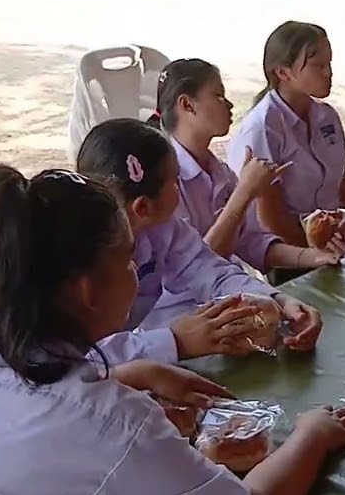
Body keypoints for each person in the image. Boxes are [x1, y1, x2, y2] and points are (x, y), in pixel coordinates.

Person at [0, 165, 345, 495]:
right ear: (88, 290)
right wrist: (310, 438)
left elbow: (22, 408)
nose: (138, 272)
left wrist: (123, 373)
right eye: (128, 261)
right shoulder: (110, 425)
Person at [77, 119, 323, 364]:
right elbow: (78, 360)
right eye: (175, 182)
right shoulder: (75, 264)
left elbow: (210, 271)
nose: (179, 188)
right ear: (143, 207)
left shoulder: (162, 228)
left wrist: (278, 301)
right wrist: (174, 342)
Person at [152, 58, 345, 273]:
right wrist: (244, 193)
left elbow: (251, 243)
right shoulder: (165, 183)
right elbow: (198, 268)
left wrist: (314, 256)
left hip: (230, 289)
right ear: (187, 105)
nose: (229, 104)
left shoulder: (220, 172)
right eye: (218, 96)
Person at [227, 22, 345, 248]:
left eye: (329, 63)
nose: (328, 73)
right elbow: (270, 220)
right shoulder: (263, 129)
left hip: (335, 241)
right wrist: (318, 253)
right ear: (283, 72)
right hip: (292, 253)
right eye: (317, 65)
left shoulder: (326, 116)